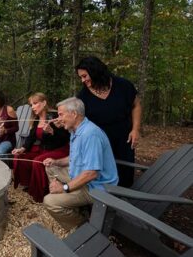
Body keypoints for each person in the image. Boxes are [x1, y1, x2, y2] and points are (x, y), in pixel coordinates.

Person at [43, 97, 118, 231]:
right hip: (80, 177)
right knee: (51, 167)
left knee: (50, 202)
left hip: (95, 187)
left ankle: (82, 226)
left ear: (74, 114)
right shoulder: (75, 130)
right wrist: (56, 162)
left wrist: (64, 188)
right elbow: (73, 158)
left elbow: (91, 173)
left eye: (61, 114)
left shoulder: (90, 134)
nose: (58, 119)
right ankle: (73, 205)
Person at [76, 56, 142, 187]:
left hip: (124, 138)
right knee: (101, 173)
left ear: (95, 71)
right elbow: (79, 121)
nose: (83, 80)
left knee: (125, 173)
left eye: (84, 76)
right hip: (99, 141)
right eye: (81, 77)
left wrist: (135, 129)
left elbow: (136, 105)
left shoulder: (123, 85)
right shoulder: (83, 96)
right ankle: (101, 204)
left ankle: (124, 203)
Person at [12, 92, 70, 203]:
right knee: (20, 157)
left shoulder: (55, 118)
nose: (32, 107)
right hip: (44, 149)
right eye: (31, 105)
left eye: (35, 103)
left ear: (44, 103)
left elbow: (65, 138)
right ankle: (29, 183)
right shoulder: (36, 120)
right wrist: (22, 149)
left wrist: (52, 131)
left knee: (37, 161)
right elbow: (31, 138)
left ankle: (39, 193)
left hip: (59, 149)